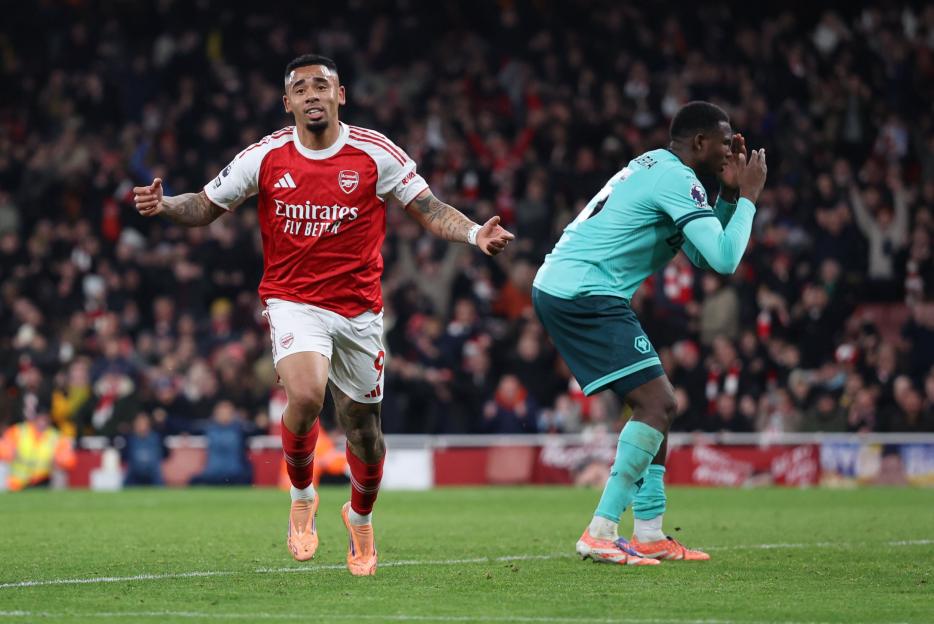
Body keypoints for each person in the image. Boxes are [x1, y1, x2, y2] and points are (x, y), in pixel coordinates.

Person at [133, 54, 514, 575]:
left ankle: (359, 518)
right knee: (308, 395)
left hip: (359, 311)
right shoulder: (264, 158)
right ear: (287, 102)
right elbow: (204, 205)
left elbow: (429, 208)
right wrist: (166, 205)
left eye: (321, 85)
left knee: (365, 434)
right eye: (300, 88)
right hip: (293, 301)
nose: (312, 94)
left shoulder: (373, 153)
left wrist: (474, 233)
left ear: (341, 95)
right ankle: (302, 493)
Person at [532, 101, 767, 565]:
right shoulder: (675, 178)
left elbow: (702, 258)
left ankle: (650, 533)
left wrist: (727, 194)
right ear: (699, 143)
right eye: (724, 143)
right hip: (585, 290)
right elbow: (725, 259)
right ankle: (600, 530)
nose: (730, 151)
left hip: (575, 285)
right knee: (658, 403)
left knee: (657, 405)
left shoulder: (665, 170)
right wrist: (751, 198)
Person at [0, 396, 76, 491]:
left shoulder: (55, 437)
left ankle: (58, 499)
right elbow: (3, 449)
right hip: (18, 482)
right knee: (2, 466)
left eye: (45, 419)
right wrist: (10, 453)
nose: (42, 422)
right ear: (34, 418)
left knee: (60, 474)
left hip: (43, 480)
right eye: (40, 418)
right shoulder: (18, 431)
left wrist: (59, 461)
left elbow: (69, 460)